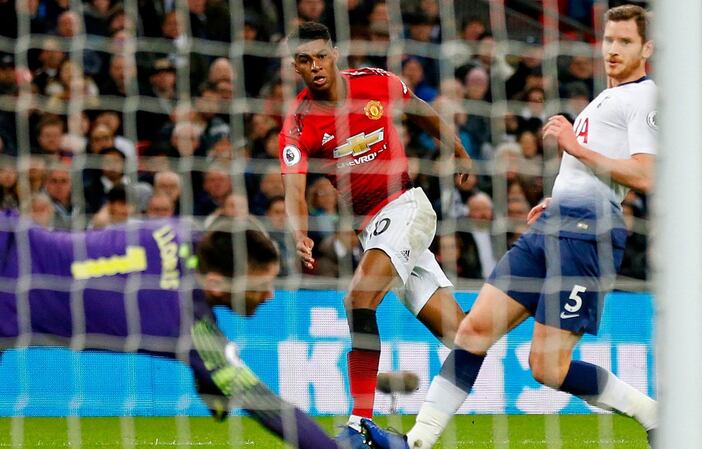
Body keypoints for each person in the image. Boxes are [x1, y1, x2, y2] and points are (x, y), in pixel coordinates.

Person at [362, 5, 659, 448]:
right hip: (553, 226)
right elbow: (600, 173)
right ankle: (417, 442)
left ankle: (653, 415)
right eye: (609, 39)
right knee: (472, 331)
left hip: (588, 236)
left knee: (547, 368)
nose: (613, 49)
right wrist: (556, 201)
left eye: (625, 42)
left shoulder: (644, 97)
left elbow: (644, 175)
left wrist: (574, 147)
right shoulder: (606, 98)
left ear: (646, 48)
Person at [0, 211, 358, 449]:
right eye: (259, 285)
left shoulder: (182, 232)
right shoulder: (188, 326)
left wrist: (207, 380)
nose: (269, 295)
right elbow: (267, 406)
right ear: (217, 282)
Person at [280, 22, 471, 448]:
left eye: (321, 56)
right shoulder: (298, 124)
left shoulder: (376, 83)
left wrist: (457, 149)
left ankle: (359, 423)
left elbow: (421, 109)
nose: (315, 66)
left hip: (407, 206)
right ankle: (417, 440)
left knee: (357, 299)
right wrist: (300, 233)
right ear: (295, 66)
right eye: (304, 60)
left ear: (335, 54)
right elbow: (293, 189)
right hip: (374, 231)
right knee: (465, 340)